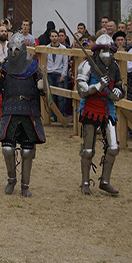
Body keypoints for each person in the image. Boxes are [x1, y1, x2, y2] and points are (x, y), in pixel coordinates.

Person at [0, 33, 46, 197]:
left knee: (27, 151)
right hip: (10, 109)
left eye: (17, 49)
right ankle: (11, 179)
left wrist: (42, 85)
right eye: (11, 49)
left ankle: (25, 186)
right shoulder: (4, 68)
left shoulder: (33, 67)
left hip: (28, 109)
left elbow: (43, 93)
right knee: (7, 148)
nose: (13, 52)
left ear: (23, 50)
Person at [76, 34, 125, 196]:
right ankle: (84, 182)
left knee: (113, 147)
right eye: (105, 50)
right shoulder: (87, 65)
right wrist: (98, 85)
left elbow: (120, 86)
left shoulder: (115, 67)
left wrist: (118, 91)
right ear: (98, 51)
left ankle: (105, 181)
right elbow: (82, 91)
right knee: (88, 150)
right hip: (90, 107)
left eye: (110, 51)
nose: (108, 54)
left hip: (107, 108)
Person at [47, 30, 68, 116]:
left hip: (59, 73)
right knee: (51, 96)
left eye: (56, 36)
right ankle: (53, 115)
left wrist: (63, 75)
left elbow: (65, 63)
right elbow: (44, 61)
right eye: (52, 36)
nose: (54, 38)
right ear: (50, 38)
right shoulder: (47, 48)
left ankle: (61, 114)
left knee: (60, 97)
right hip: (50, 74)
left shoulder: (63, 48)